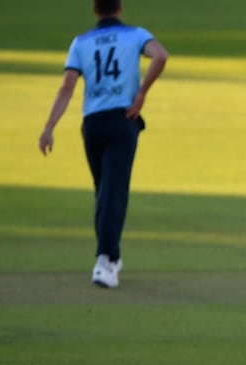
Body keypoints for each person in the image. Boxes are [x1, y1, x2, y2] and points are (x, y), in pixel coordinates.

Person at [38, 0, 169, 289]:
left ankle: (110, 256)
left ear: (95, 10)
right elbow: (160, 56)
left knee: (104, 191)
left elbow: (67, 87)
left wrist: (49, 127)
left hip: (93, 124)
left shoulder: (81, 42)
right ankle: (106, 261)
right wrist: (142, 93)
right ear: (119, 8)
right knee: (112, 192)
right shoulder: (136, 35)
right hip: (123, 119)